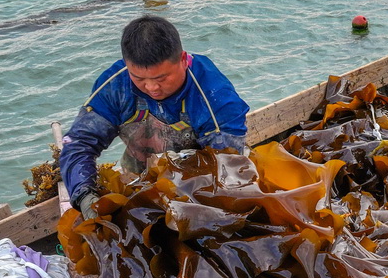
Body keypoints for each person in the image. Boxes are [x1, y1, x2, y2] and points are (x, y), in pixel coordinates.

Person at [60, 15, 249, 218]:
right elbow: (80, 143)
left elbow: (227, 162)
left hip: (197, 187)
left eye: (161, 78)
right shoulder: (115, 85)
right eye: (139, 78)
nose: (151, 88)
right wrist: (85, 196)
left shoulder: (213, 92)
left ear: (183, 60)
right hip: (138, 180)